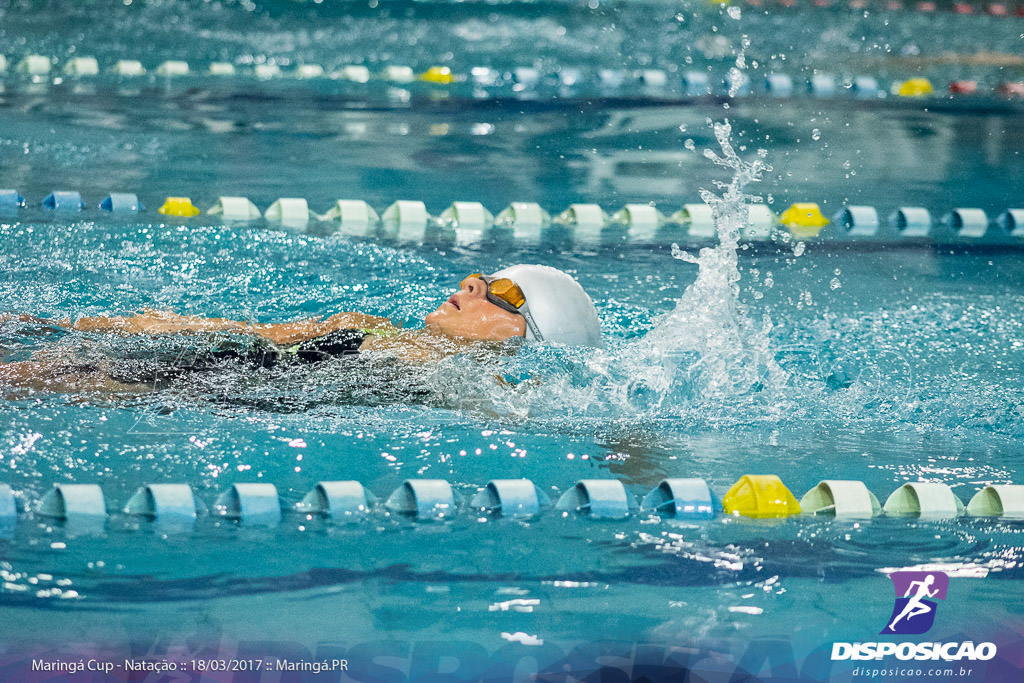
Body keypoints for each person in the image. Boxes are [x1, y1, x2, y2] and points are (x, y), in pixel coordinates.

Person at [0, 265, 603, 397]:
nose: (472, 285)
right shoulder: (364, 324)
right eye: (480, 277)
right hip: (218, 366)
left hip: (222, 392)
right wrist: (55, 323)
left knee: (31, 377)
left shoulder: (484, 388)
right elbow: (240, 330)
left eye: (502, 293)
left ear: (524, 333)